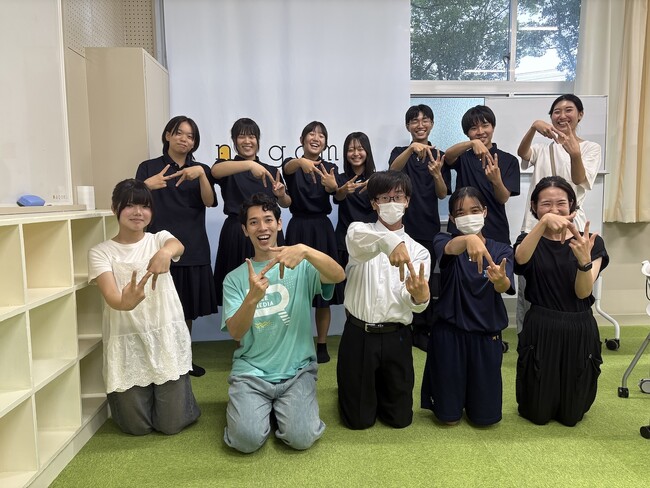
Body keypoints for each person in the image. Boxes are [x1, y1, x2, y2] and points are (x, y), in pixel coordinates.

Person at [221, 193, 345, 453]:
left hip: (296, 372)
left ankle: (277, 410)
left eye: (268, 220)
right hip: (251, 374)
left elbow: (338, 275)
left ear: (279, 224)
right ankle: (259, 408)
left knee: (302, 439)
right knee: (245, 441)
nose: (262, 227)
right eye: (253, 222)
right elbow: (236, 332)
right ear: (244, 230)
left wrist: (306, 251)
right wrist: (252, 298)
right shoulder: (234, 279)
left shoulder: (302, 267)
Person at [88, 179, 200, 435]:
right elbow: (112, 297)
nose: (138, 212)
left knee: (171, 425)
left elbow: (177, 245)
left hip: (163, 334)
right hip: (127, 337)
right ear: (115, 208)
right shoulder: (100, 252)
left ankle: (180, 403)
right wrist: (124, 302)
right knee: (135, 427)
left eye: (145, 206)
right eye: (130, 205)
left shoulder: (158, 239)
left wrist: (165, 253)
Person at [337, 170, 431, 430]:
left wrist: (420, 296)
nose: (391, 203)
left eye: (397, 197)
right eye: (384, 198)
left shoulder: (419, 251)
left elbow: (415, 303)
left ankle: (378, 389)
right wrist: (391, 241)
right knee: (357, 421)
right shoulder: (359, 231)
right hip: (359, 334)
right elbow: (357, 243)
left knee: (400, 420)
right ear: (373, 203)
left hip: (396, 336)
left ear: (407, 201)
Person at [514, 176, 609, 426]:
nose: (554, 210)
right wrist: (543, 223)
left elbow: (582, 293)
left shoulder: (590, 242)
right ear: (534, 206)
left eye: (561, 203)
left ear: (572, 206)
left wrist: (584, 261)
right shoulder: (528, 240)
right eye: (546, 204)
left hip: (579, 326)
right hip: (541, 325)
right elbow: (520, 260)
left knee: (571, 415)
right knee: (537, 413)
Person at [421, 187, 514, 426]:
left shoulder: (502, 249)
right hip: (449, 335)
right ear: (452, 219)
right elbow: (450, 249)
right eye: (460, 213)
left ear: (485, 212)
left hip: (486, 336)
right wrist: (469, 239)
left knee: (485, 420)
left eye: (474, 210)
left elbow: (505, 286)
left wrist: (500, 280)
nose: (468, 217)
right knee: (448, 418)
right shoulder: (443, 240)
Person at [136, 115, 217, 377]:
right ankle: (159, 360)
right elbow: (132, 201)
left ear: (195, 143)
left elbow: (209, 202)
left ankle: (184, 359)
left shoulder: (201, 169)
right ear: (168, 135)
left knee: (186, 309)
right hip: (158, 247)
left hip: (193, 245)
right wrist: (147, 186)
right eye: (179, 133)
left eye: (190, 136)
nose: (184, 139)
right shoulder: (148, 167)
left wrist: (201, 175)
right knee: (158, 307)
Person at [515, 94, 602, 331]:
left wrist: (575, 153)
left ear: (580, 114)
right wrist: (533, 127)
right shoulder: (544, 149)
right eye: (556, 111)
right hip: (536, 224)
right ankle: (528, 336)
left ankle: (571, 330)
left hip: (571, 224)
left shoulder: (590, 148)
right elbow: (523, 152)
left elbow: (580, 180)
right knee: (529, 283)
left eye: (568, 110)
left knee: (572, 280)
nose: (562, 116)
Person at [211, 118, 291, 311]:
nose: (247, 141)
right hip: (237, 233)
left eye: (252, 136)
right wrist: (249, 165)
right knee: (239, 287)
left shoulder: (271, 170)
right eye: (241, 137)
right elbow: (215, 172)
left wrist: (281, 194)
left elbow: (286, 203)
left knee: (273, 284)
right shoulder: (228, 166)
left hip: (268, 233)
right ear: (234, 140)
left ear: (258, 140)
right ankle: (239, 329)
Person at [389, 104, 449, 350]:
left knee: (424, 277)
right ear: (408, 126)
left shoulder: (439, 154)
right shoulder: (399, 152)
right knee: (399, 276)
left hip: (428, 226)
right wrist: (411, 148)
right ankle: (403, 325)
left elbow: (443, 193)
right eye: (414, 121)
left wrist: (437, 174)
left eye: (425, 120)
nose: (420, 125)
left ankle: (423, 328)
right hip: (401, 227)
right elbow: (392, 172)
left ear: (432, 124)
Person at [282, 121, 342, 363]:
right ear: (302, 139)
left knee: (323, 293)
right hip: (298, 228)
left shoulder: (330, 168)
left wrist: (334, 187)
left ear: (326, 142)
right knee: (295, 291)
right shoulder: (293, 165)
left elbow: (338, 195)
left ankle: (322, 344)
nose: (316, 138)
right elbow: (288, 168)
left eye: (321, 135)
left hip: (322, 229)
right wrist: (301, 162)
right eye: (311, 134)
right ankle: (296, 343)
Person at [444, 105, 520, 244]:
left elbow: (503, 198)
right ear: (467, 133)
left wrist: (496, 180)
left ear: (493, 127)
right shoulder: (463, 157)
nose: (480, 132)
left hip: (495, 229)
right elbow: (448, 156)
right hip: (463, 227)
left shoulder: (509, 160)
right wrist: (472, 144)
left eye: (485, 125)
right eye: (474, 128)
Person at [333, 132, 376, 298]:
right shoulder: (340, 178)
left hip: (371, 242)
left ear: (367, 151)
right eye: (351, 150)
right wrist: (343, 190)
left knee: (371, 290)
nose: (356, 153)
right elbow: (337, 197)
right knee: (350, 292)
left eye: (360, 149)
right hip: (345, 242)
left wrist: (375, 185)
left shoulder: (377, 178)